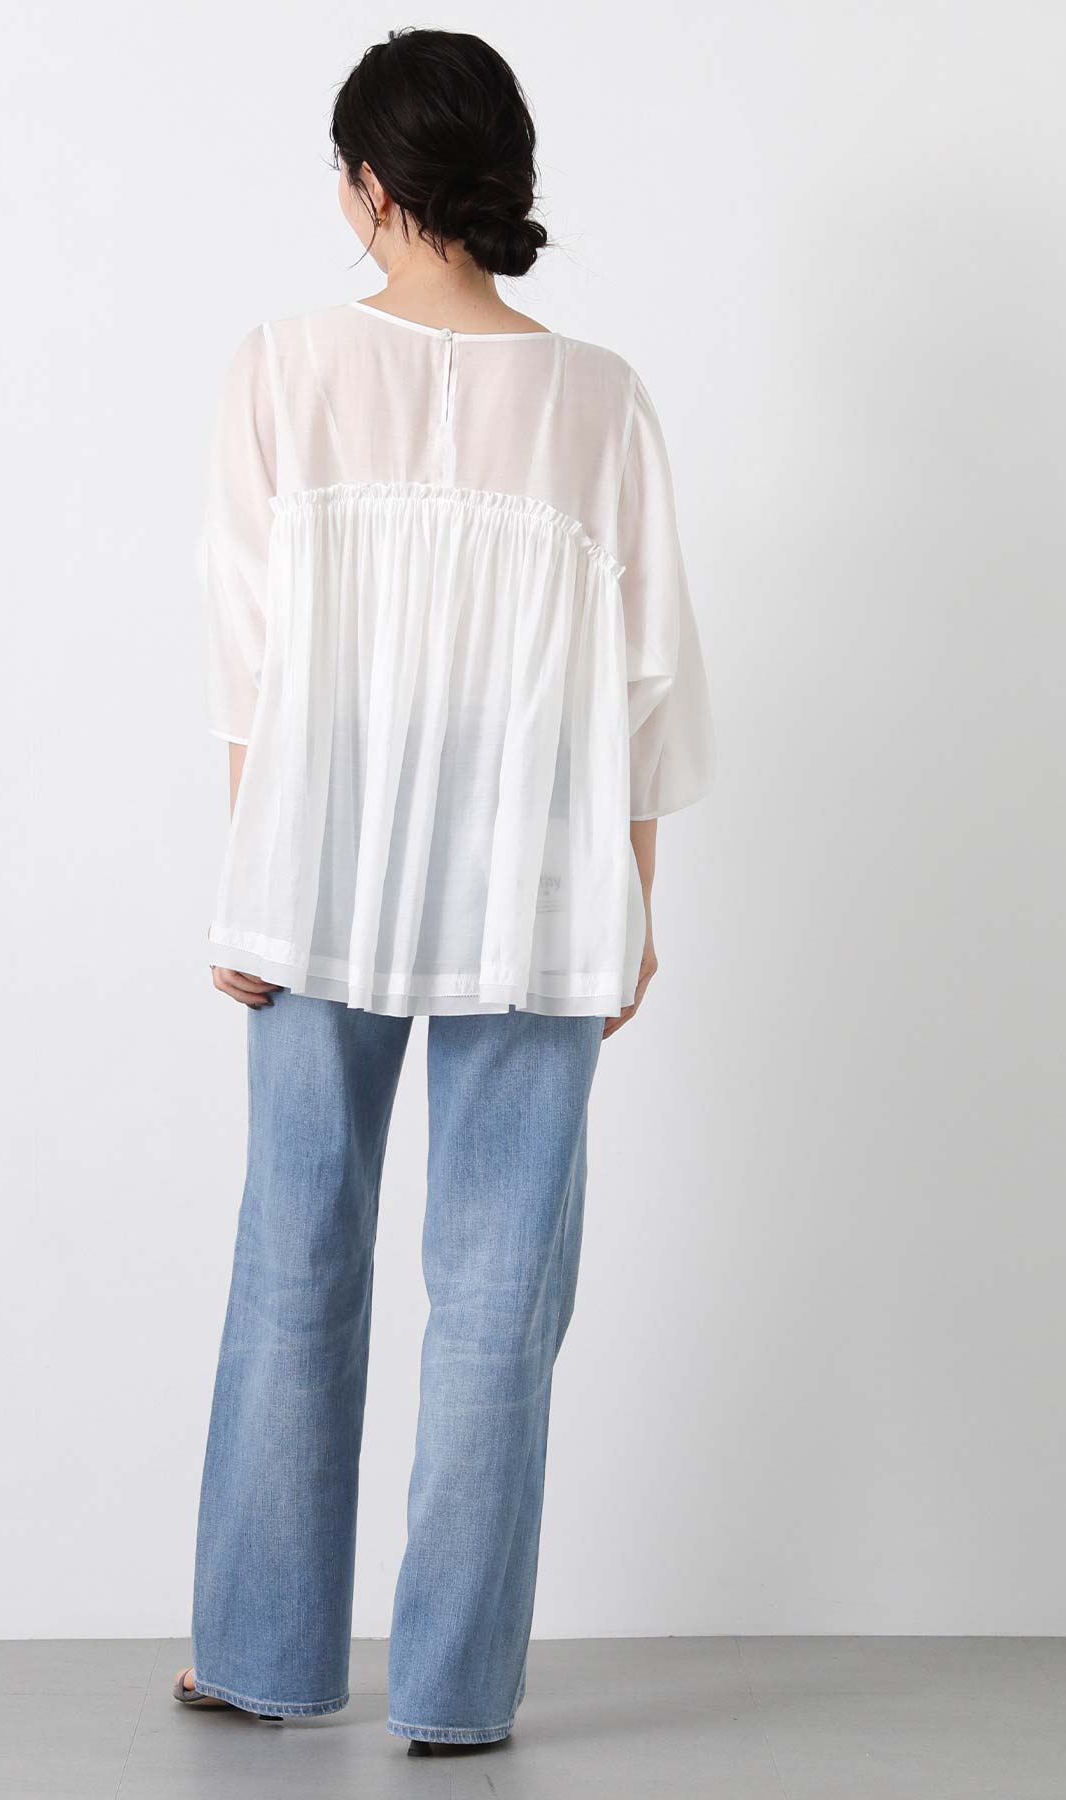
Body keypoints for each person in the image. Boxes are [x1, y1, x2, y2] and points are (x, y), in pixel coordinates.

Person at [175, 26, 714, 1757]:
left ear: (366, 185)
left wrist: (253, 882)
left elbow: (251, 658)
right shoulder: (601, 396)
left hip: (319, 868)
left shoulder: (283, 365)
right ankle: (461, 1694)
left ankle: (261, 1656)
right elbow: (647, 681)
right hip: (538, 886)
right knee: (499, 1293)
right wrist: (633, 902)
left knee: (294, 1258)